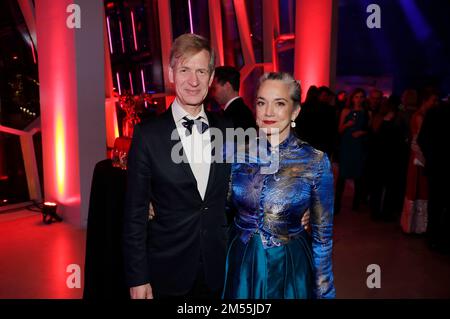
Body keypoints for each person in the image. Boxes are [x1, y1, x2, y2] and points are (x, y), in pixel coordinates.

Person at [123, 33, 233, 299]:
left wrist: (294, 210)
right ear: (172, 73)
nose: (193, 81)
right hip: (167, 271)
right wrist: (138, 277)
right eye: (184, 70)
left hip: (220, 270)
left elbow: (251, 186)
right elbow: (134, 214)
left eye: (200, 71)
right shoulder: (147, 135)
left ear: (211, 76)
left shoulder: (229, 130)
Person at [222, 72, 335, 299]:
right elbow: (216, 206)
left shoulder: (314, 161)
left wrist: (325, 292)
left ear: (295, 111)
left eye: (279, 103)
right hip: (240, 262)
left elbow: (323, 238)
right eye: (262, 103)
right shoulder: (235, 153)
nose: (268, 112)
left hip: (288, 265)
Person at [417, 92, 449, 252]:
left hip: (436, 165)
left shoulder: (434, 112)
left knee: (436, 204)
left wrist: (432, 156)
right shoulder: (436, 112)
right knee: (437, 204)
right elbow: (422, 139)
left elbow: (423, 139)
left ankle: (434, 238)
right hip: (438, 166)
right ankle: (436, 237)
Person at [334, 88, 369, 214]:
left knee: (358, 174)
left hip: (359, 145)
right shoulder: (346, 111)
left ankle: (356, 204)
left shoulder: (366, 112)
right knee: (343, 174)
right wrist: (347, 125)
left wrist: (362, 132)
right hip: (347, 144)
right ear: (352, 98)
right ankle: (337, 204)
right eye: (356, 96)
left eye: (361, 97)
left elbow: (369, 130)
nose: (359, 99)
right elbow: (339, 130)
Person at [211, 66, 256, 130]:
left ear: (227, 86)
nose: (213, 94)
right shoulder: (244, 111)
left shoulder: (232, 115)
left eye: (214, 89)